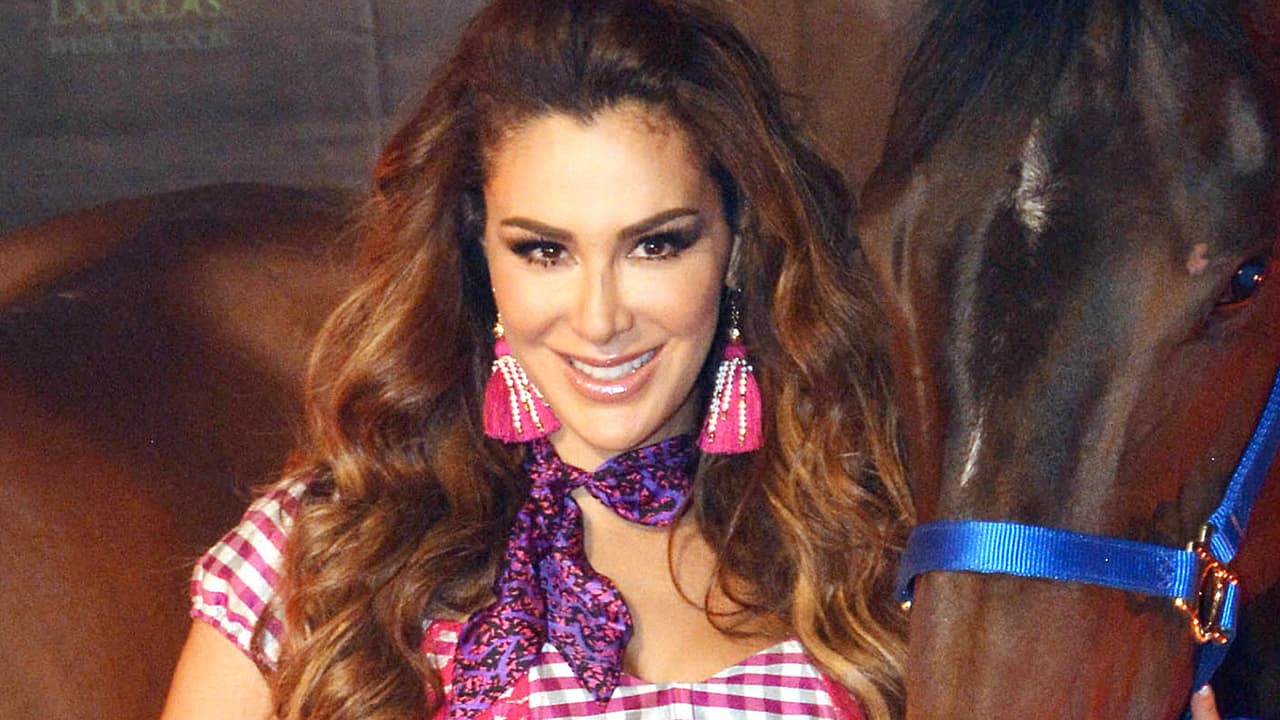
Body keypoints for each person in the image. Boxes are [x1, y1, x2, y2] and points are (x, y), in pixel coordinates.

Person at [160, 1, 913, 718]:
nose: (599, 318)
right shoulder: (322, 553)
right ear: (478, 252)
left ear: (738, 245)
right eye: (545, 251)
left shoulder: (865, 543)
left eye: (655, 245)